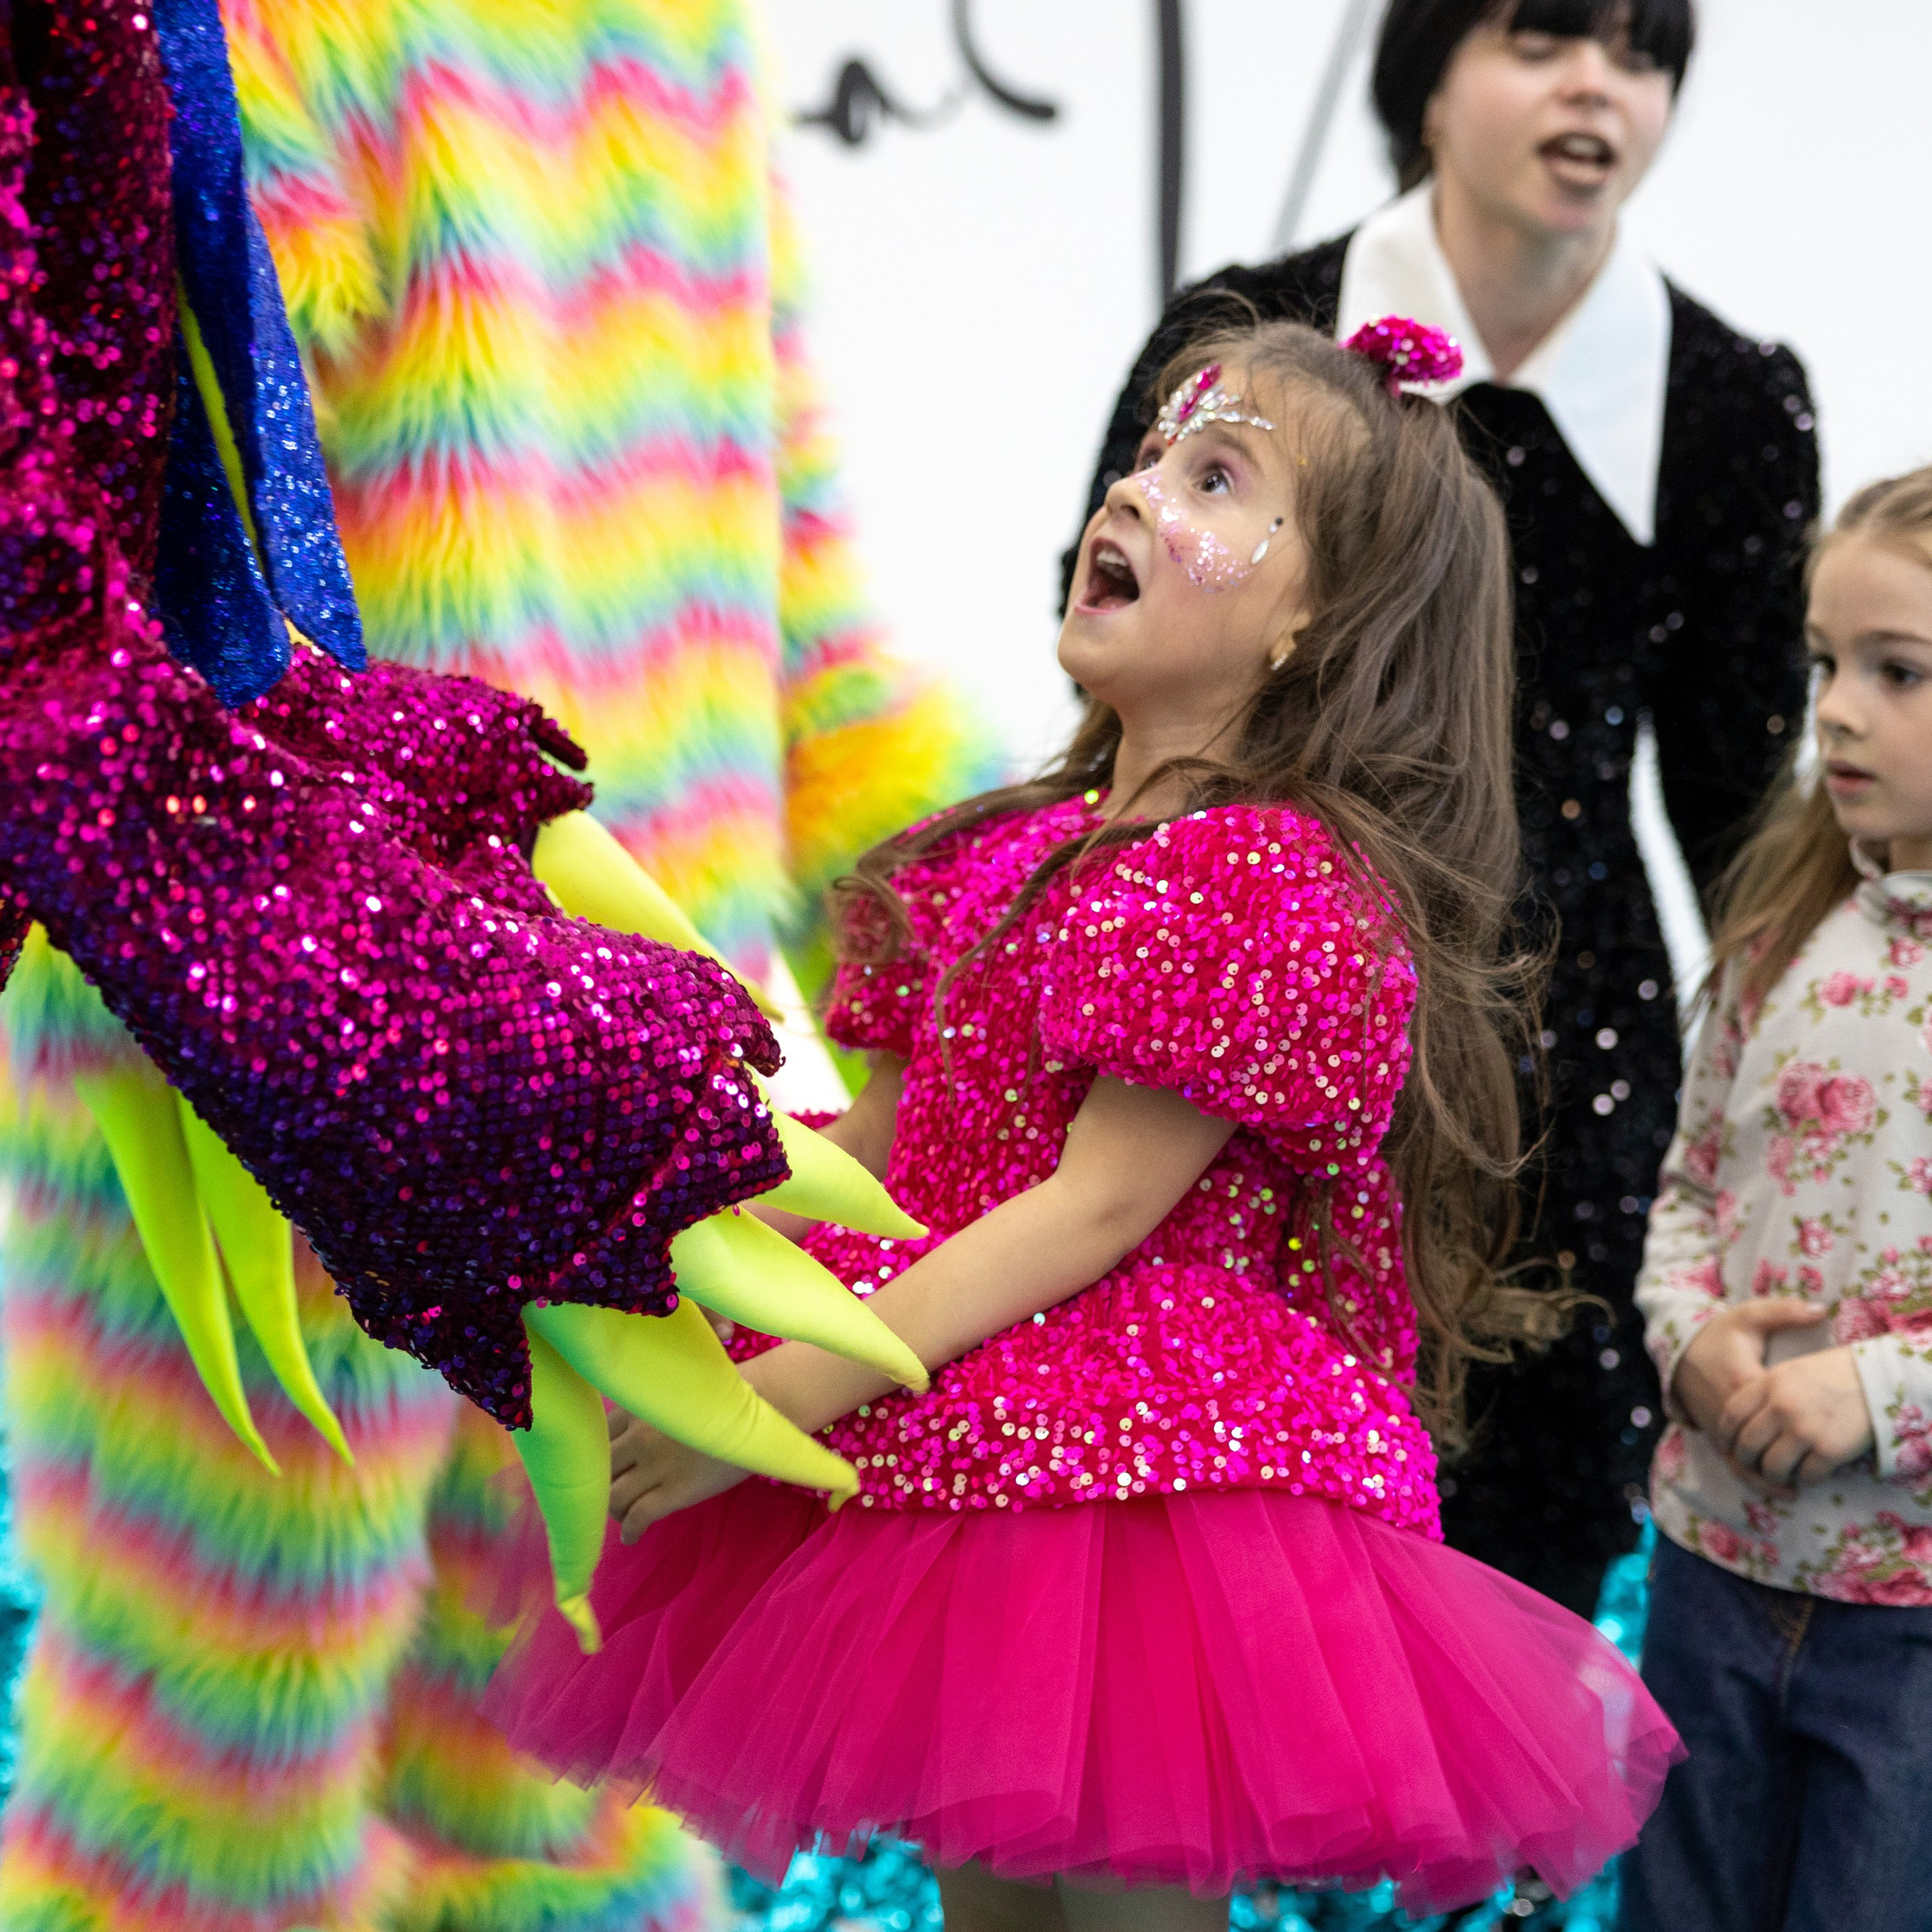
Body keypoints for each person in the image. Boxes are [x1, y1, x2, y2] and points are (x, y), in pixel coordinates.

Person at [485, 316, 1681, 1928]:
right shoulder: (974, 860)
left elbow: (1096, 1206)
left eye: (1210, 475)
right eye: (1142, 454)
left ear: (1307, 617)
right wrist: (630, 1200)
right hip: (959, 1465)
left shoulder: (1265, 878)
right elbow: (870, 1165)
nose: (1132, 493)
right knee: (991, 1893)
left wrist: (783, 1396)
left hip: (1144, 1499)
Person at [1073, 0, 1821, 1617]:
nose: (1592, 87)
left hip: (1558, 1054)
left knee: (1527, 1562)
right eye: (1542, 36)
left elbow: (1740, 809)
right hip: (1248, 1002)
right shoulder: (1251, 333)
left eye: (1637, 54)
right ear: (1422, 78)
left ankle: (1499, 1885)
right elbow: (1116, 654)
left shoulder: (1736, 401)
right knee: (1219, 1541)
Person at [1620, 469, 1932, 1932]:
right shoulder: (1779, 928)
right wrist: (1690, 1342)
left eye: (1896, 671)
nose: (1839, 709)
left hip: (1909, 1624)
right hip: (1711, 1570)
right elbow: (1683, 1188)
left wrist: (1873, 1392)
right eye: (1824, 664)